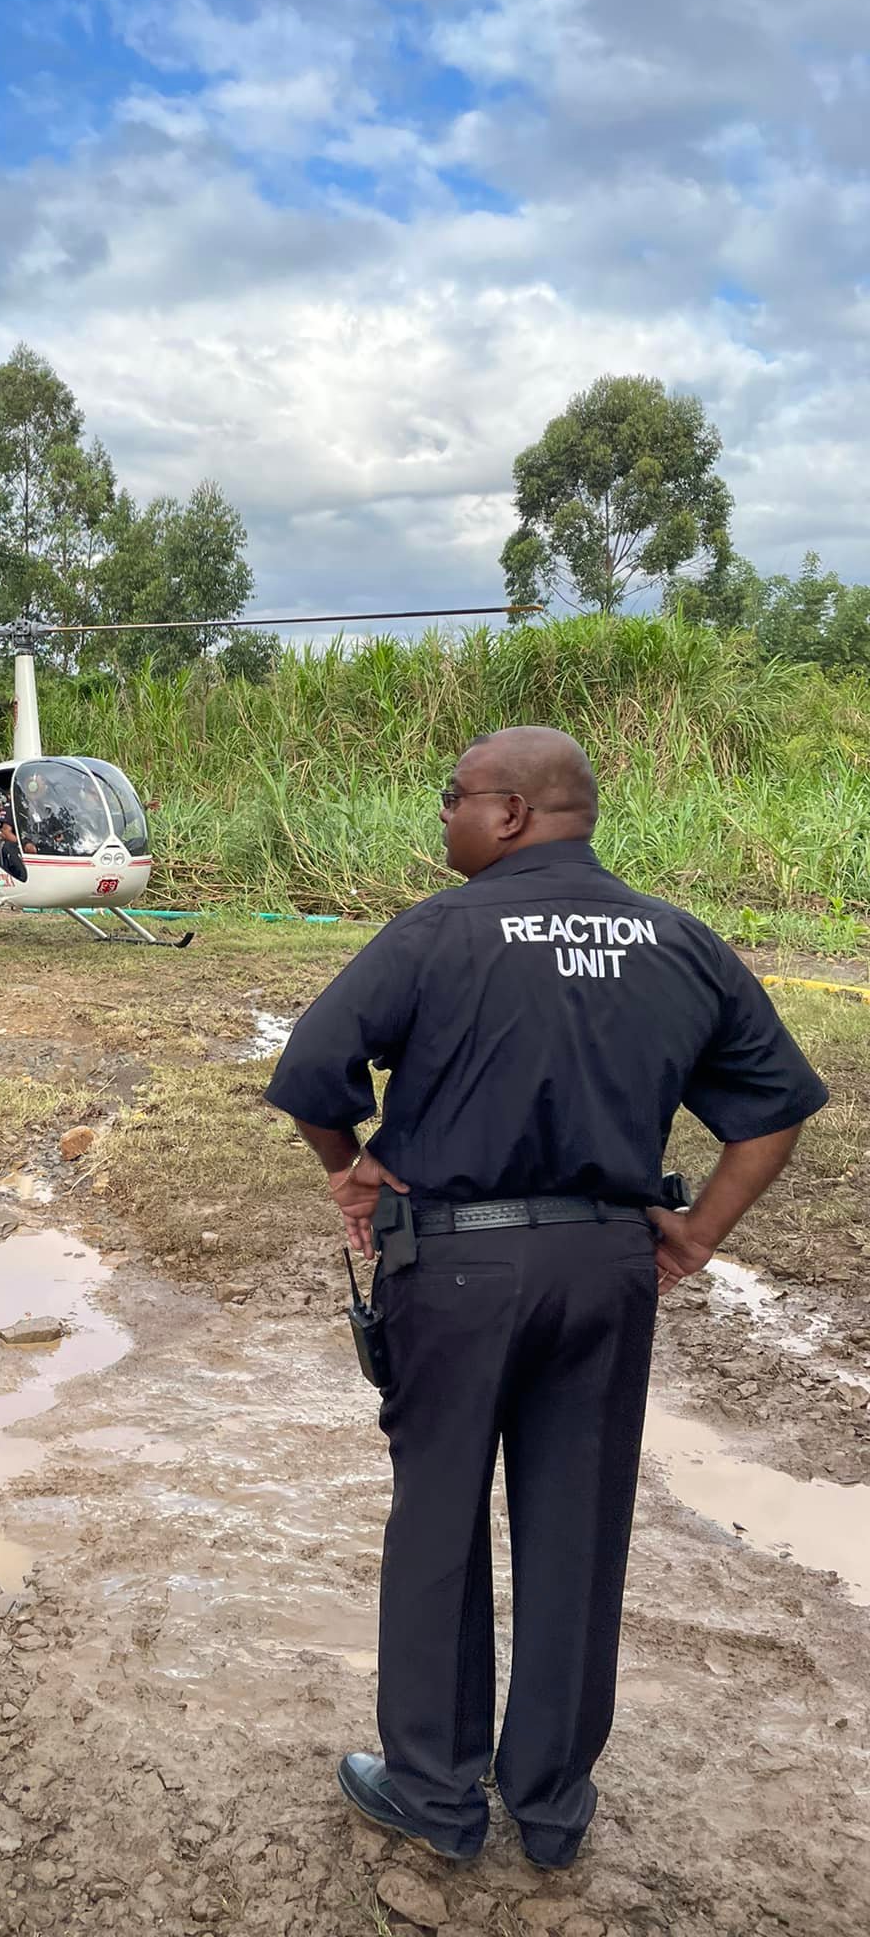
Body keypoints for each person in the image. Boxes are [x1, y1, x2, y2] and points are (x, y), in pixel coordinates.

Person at [265, 727, 827, 1869]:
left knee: (439, 1521)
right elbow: (772, 1107)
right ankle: (554, 1806)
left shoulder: (440, 929)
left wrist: (349, 1163)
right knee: (580, 1531)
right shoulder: (679, 938)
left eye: (452, 798)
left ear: (511, 811)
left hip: (460, 1269)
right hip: (609, 1269)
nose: (444, 817)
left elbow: (315, 1067)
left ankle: (434, 1787)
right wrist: (701, 1231)